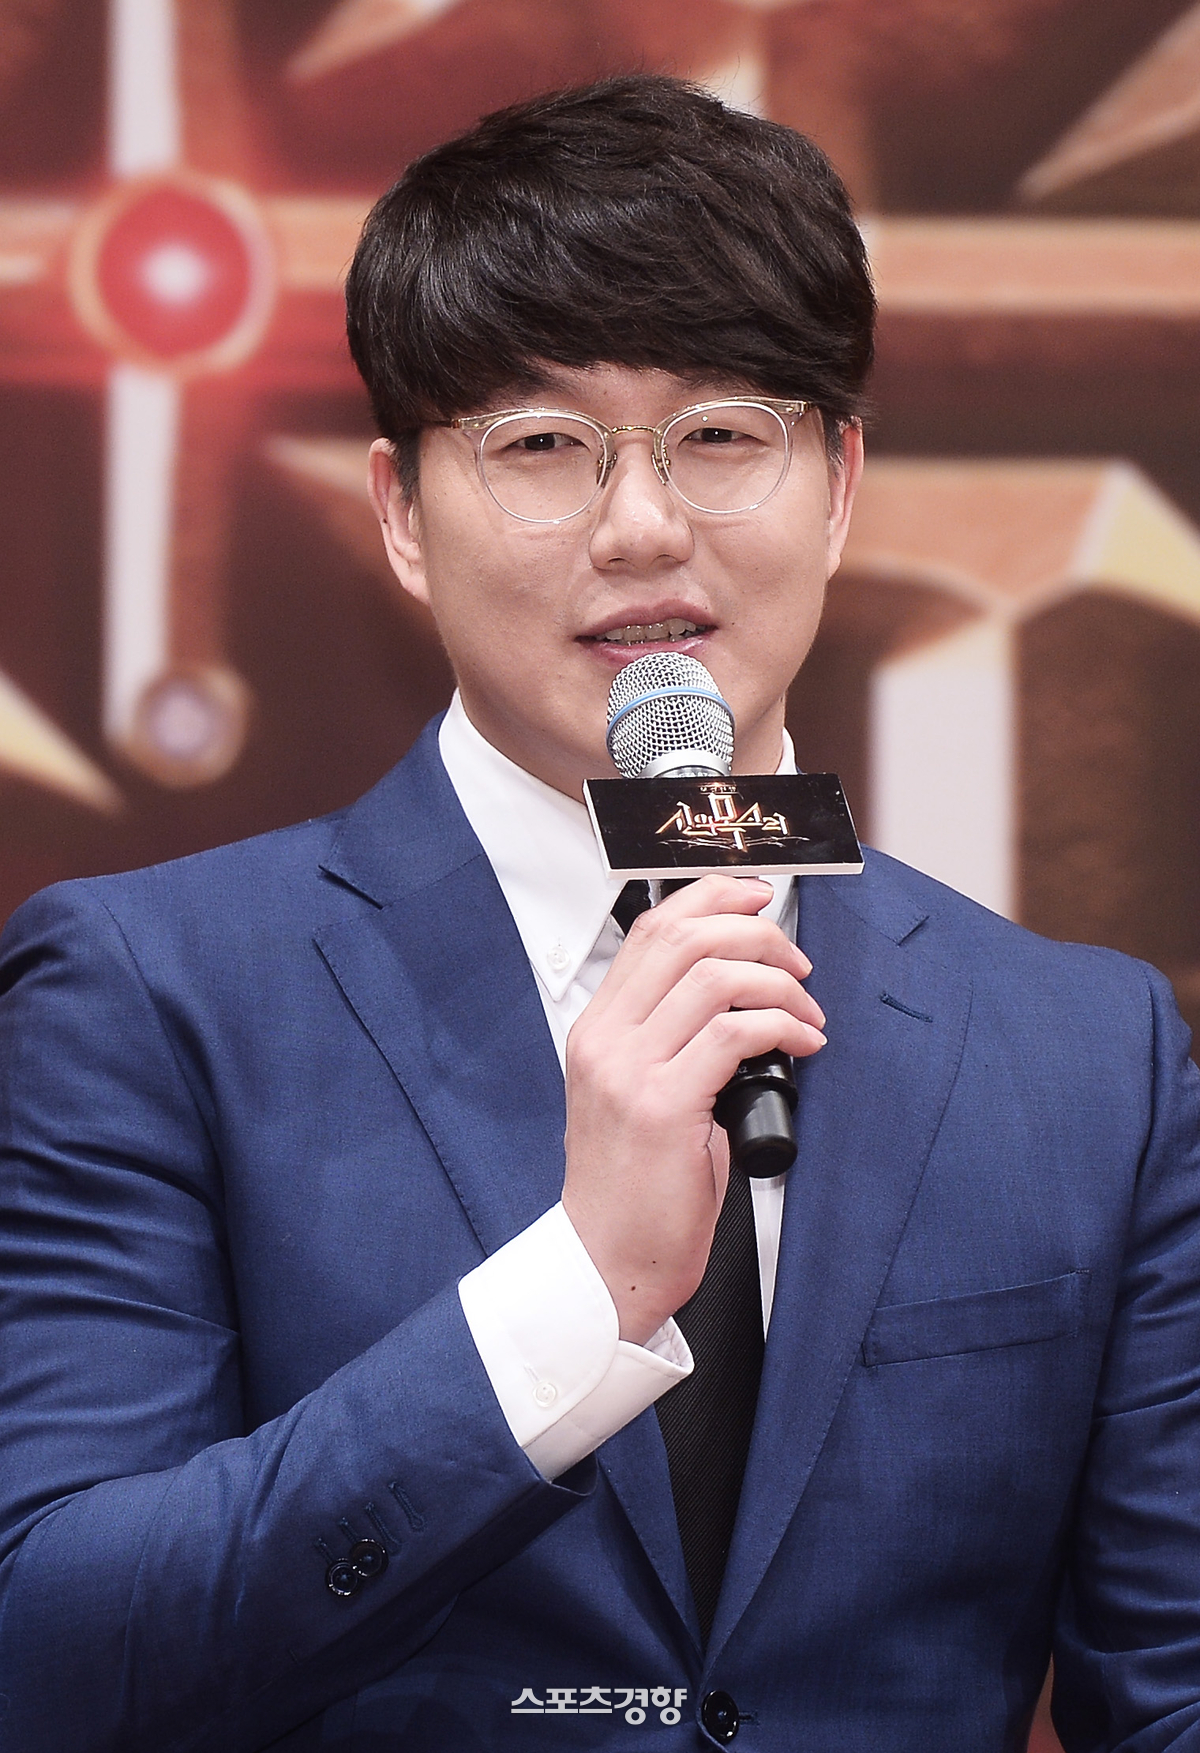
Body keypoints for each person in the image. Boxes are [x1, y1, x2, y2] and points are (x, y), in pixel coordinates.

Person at [2, 73, 1199, 1753]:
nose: (643, 527)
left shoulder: (1087, 1052)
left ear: (840, 482)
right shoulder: (152, 992)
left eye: (722, 438)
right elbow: (53, 1655)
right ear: (401, 514)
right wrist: (578, 1293)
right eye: (542, 447)